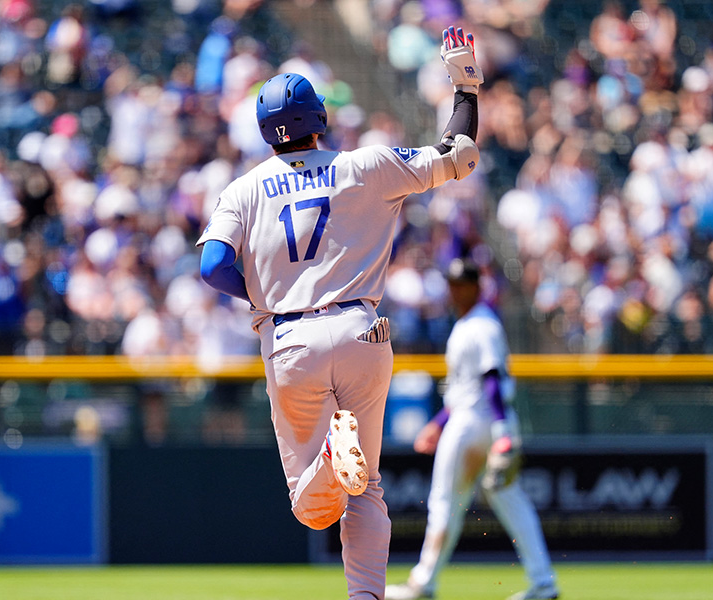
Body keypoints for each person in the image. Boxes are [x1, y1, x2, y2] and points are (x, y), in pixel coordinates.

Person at [197, 25, 483, 600]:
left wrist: (262, 295)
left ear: (264, 129)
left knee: (313, 508)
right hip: (362, 331)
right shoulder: (365, 164)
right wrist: (465, 88)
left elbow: (212, 265)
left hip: (290, 338)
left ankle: (330, 459)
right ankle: (366, 595)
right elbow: (460, 155)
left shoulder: (243, 190)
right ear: (319, 118)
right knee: (367, 489)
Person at [385, 259, 559, 600]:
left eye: (462, 284)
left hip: (477, 423)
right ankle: (543, 582)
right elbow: (468, 388)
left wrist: (501, 430)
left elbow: (491, 379)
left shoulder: (481, 325)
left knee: (445, 501)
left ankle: (423, 582)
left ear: (477, 287)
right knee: (511, 501)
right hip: (477, 418)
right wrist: (438, 424)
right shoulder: (470, 324)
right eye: (452, 285)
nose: (456, 291)